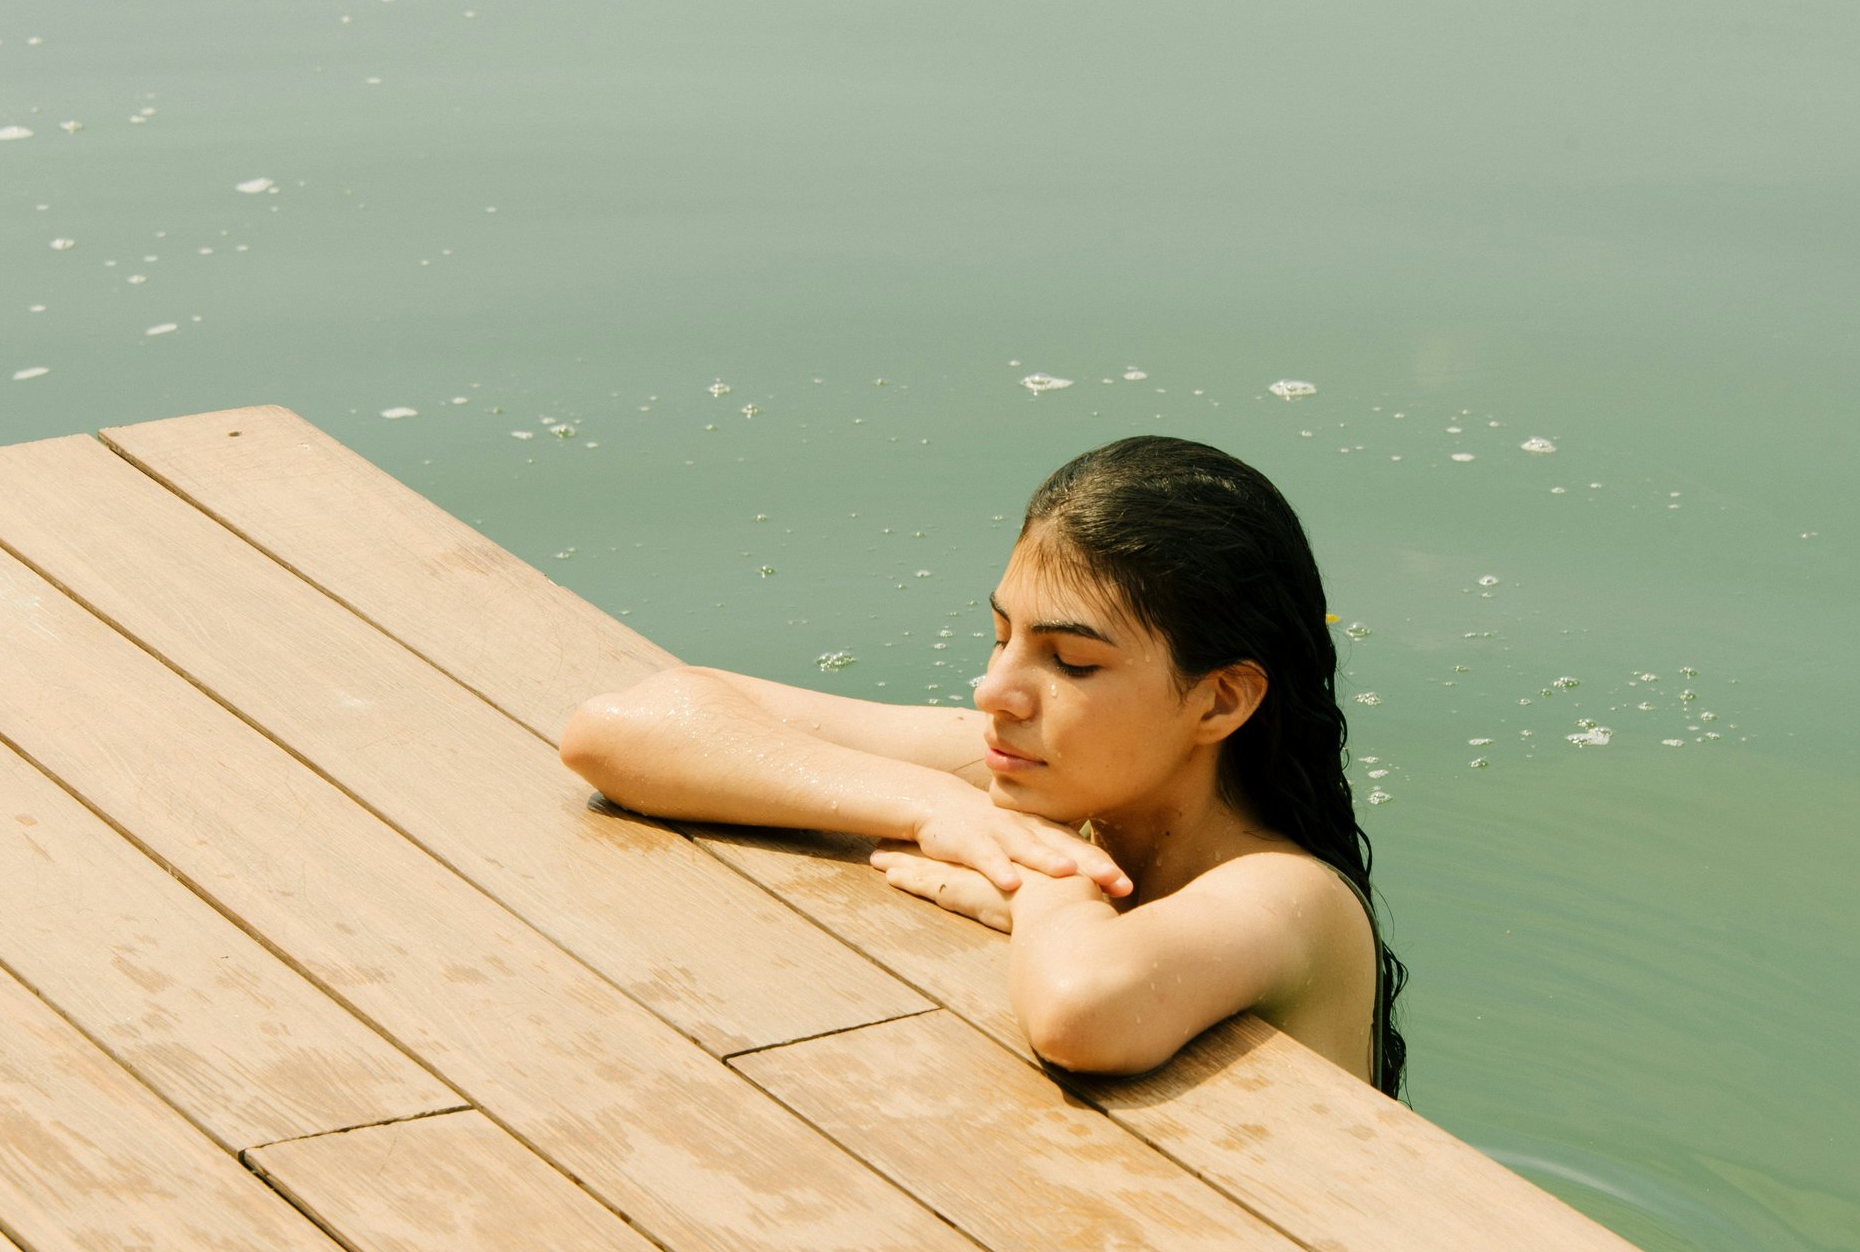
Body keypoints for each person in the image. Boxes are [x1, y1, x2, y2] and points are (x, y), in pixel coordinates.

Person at [558, 435, 1407, 1094]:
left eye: (1071, 662)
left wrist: (1040, 878)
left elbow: (1082, 1009)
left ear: (1220, 700)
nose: (996, 689)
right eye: (1003, 635)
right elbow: (622, 729)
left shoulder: (1287, 894)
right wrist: (938, 807)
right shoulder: (1040, 772)